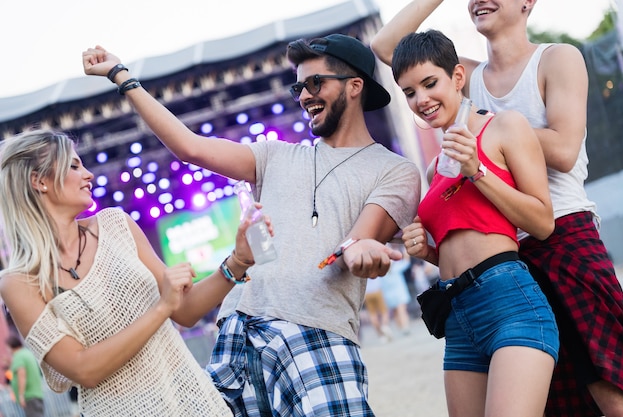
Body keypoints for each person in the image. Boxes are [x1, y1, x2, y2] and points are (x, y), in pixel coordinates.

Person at [82, 33, 421, 417]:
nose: (305, 95)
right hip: (236, 336)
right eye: (299, 87)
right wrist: (122, 76)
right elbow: (190, 147)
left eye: (315, 83)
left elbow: (356, 242)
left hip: (313, 333)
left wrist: (362, 252)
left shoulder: (394, 170)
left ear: (355, 86)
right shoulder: (274, 154)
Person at [371, 1, 623, 416]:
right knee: (557, 404)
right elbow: (386, 46)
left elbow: (563, 148)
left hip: (562, 230)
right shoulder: (470, 80)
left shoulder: (556, 58)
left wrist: (489, 129)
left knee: (609, 387)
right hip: (502, 254)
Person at [0, 130, 274, 416]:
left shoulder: (117, 225)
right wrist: (162, 307)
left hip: (195, 404)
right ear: (39, 181)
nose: (89, 174)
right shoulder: (19, 282)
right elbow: (84, 369)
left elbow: (185, 311)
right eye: (74, 165)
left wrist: (239, 260)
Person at [392, 30, 559, 417]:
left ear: (457, 77)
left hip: (510, 305)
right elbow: (462, 247)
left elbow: (543, 222)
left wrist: (478, 171)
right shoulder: (435, 169)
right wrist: (425, 251)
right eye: (410, 92)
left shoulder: (504, 127)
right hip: (457, 315)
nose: (422, 100)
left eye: (430, 83)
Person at [6, 334, 44, 417]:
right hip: (36, 393)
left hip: (29, 395)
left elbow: (21, 375)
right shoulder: (26, 353)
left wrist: (21, 395)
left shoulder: (18, 356)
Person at [380, 243, 412, 335]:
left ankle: (401, 328)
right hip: (400, 293)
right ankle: (405, 327)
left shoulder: (382, 273)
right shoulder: (397, 268)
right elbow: (406, 262)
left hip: (388, 295)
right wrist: (406, 251)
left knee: (395, 312)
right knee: (402, 310)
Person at [363, 278, 393, 343]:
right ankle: (385, 326)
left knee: (372, 314)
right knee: (384, 311)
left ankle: (381, 335)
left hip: (367, 293)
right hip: (377, 290)